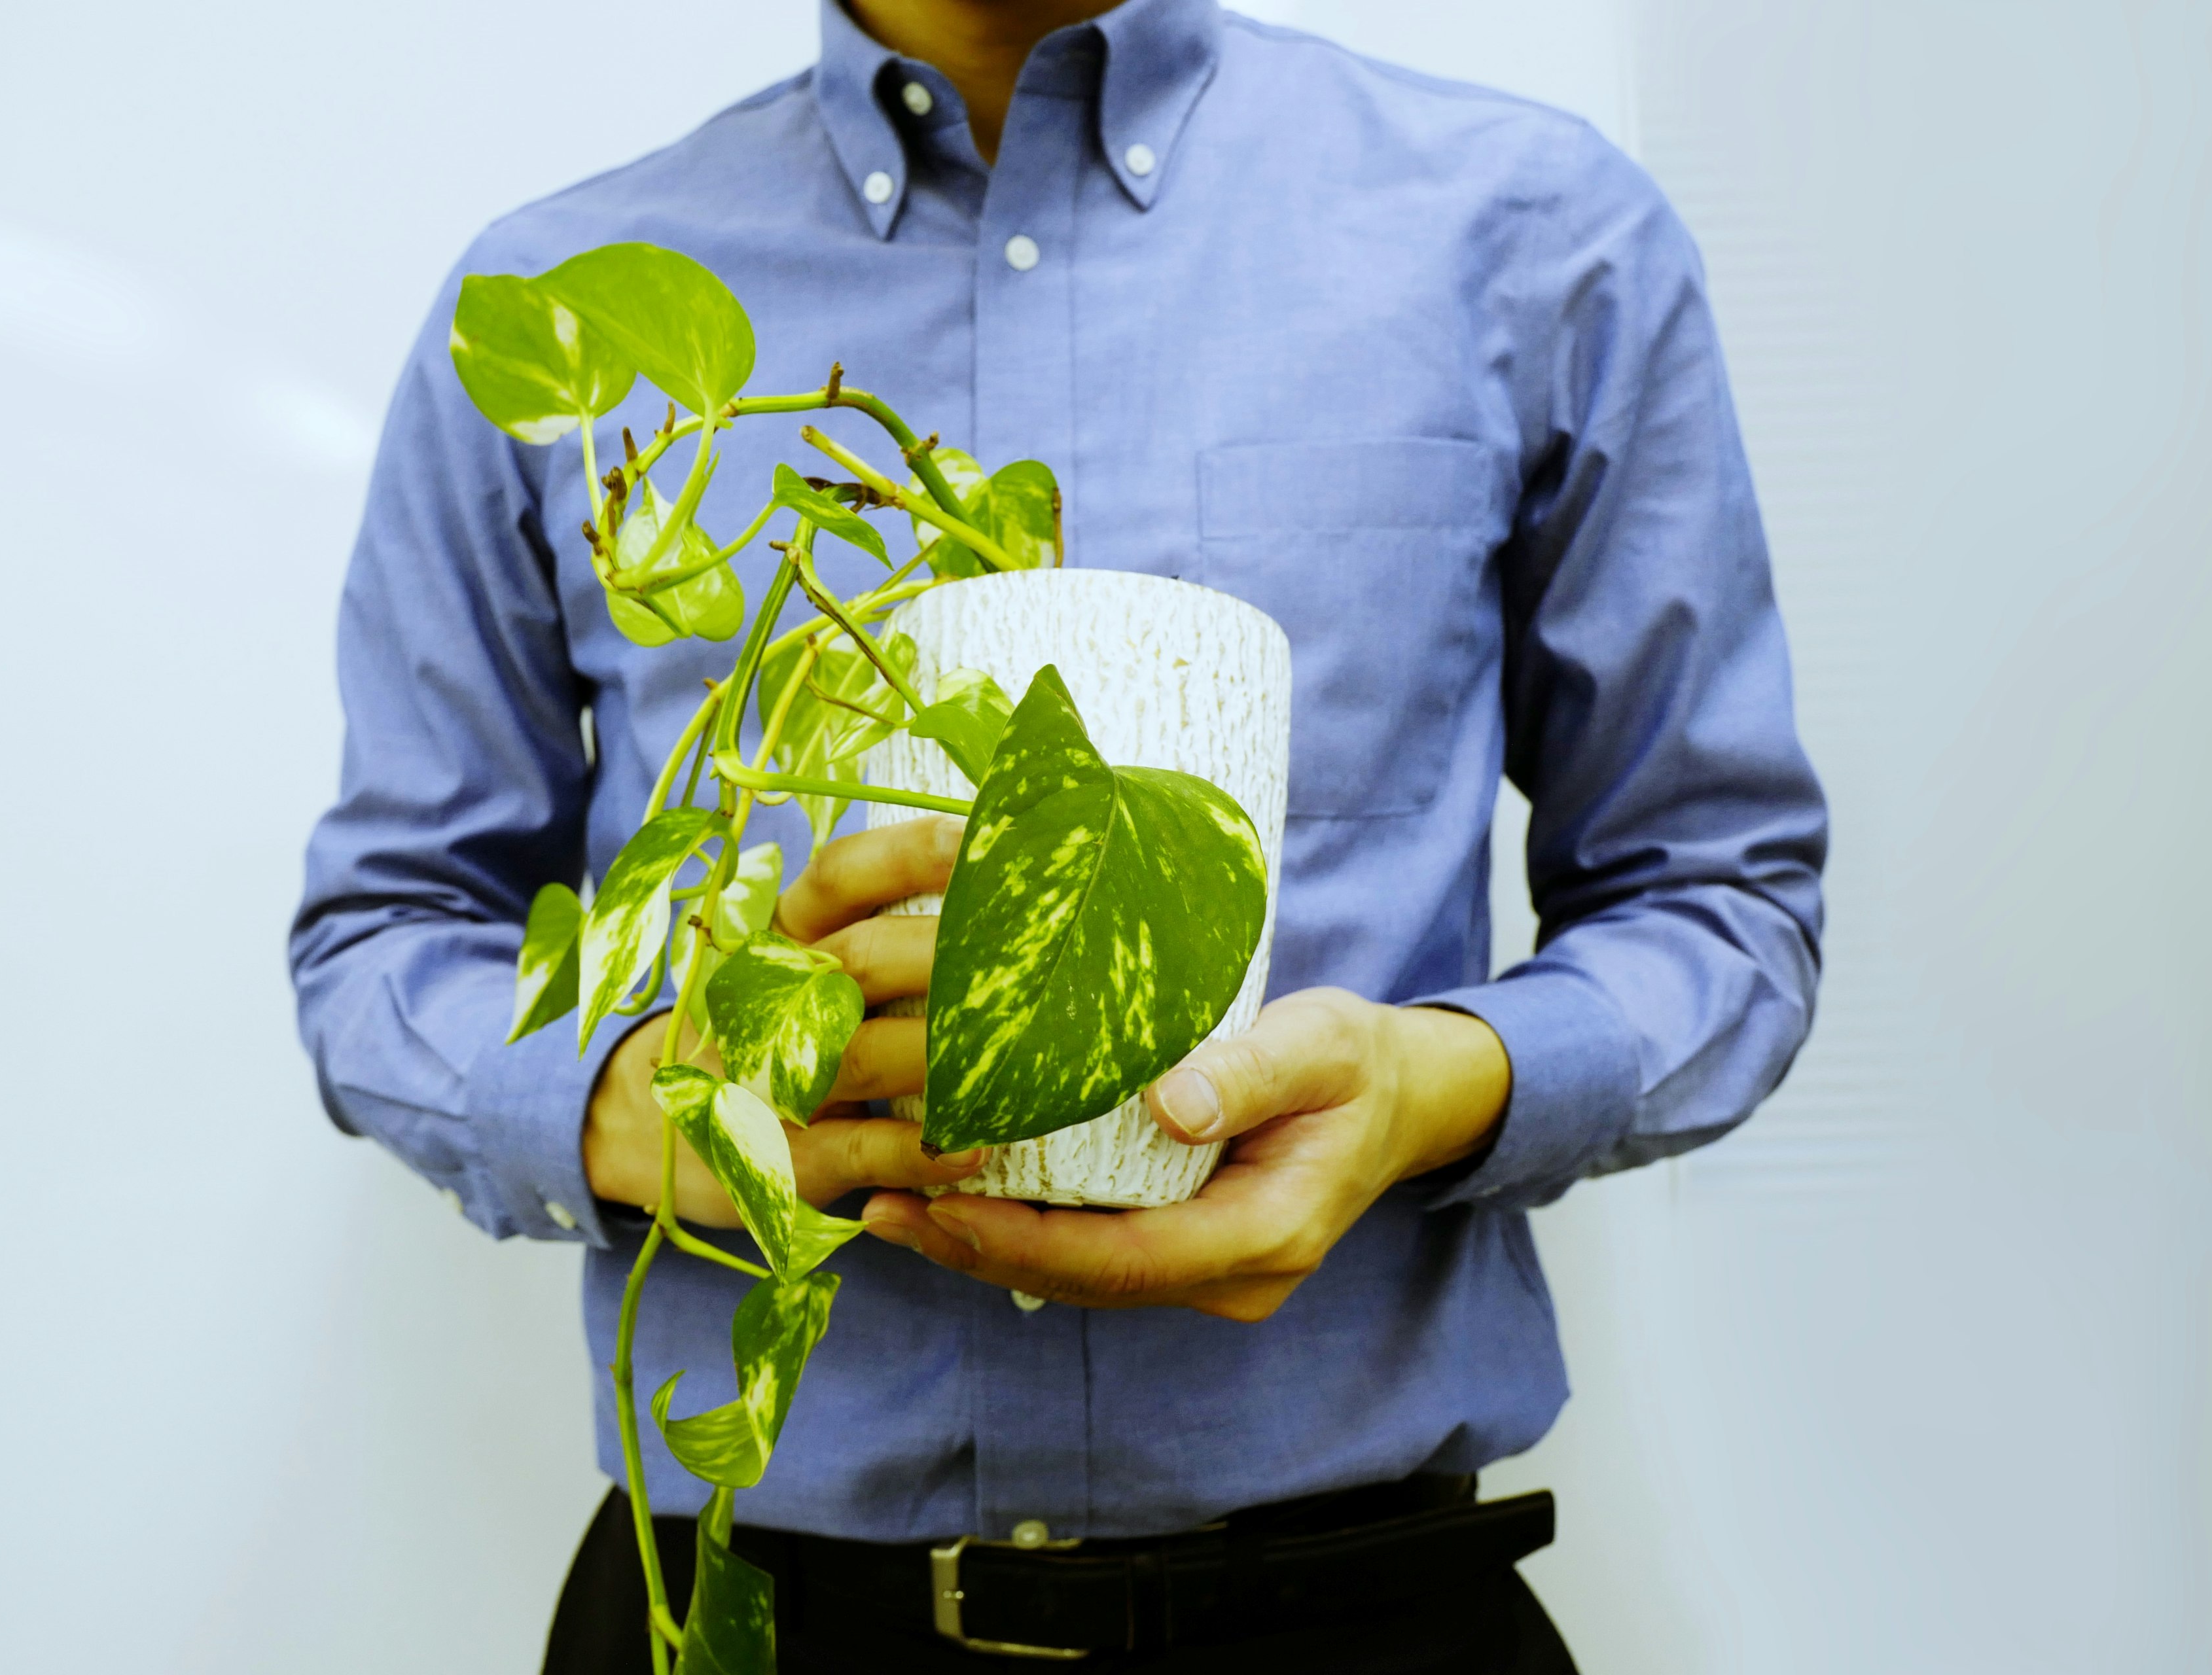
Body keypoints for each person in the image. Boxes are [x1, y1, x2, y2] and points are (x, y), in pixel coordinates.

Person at [289, 0, 1828, 1668]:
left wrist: (1432, 1087)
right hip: (763, 1617)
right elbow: (385, 933)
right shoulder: (575, 312)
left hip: (1354, 1615)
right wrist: (620, 1107)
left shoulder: (1533, 235)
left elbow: (1721, 897)